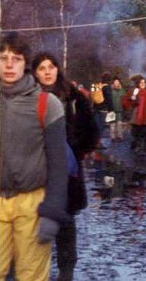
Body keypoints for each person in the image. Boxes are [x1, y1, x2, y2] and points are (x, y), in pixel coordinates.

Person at [0, 33, 69, 280]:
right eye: (3, 58)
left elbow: (59, 163)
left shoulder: (46, 104)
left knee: (31, 275)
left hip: (32, 204)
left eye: (16, 59)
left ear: (25, 63)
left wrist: (52, 210)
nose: (9, 65)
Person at [32, 52, 99, 281]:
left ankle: (66, 271)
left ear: (58, 69)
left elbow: (92, 132)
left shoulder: (74, 98)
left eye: (51, 66)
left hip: (66, 172)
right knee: (32, 221)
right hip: (35, 170)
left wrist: (73, 151)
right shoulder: (27, 98)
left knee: (65, 222)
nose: (48, 71)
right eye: (42, 68)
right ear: (35, 72)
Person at [125, 77, 146, 155]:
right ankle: (137, 145)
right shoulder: (136, 91)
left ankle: (142, 148)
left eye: (144, 83)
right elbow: (131, 103)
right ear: (139, 84)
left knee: (144, 132)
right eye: (141, 83)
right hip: (136, 116)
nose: (142, 84)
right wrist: (133, 97)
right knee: (136, 131)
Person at [93, 72, 114, 144]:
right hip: (103, 109)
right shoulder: (107, 87)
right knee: (101, 126)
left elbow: (93, 97)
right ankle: (98, 142)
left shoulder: (98, 86)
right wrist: (111, 110)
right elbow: (109, 99)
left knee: (96, 125)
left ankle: (94, 141)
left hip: (96, 108)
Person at [110, 77, 126, 142]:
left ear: (119, 83)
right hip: (112, 110)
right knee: (112, 125)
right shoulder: (111, 90)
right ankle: (113, 137)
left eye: (117, 82)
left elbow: (125, 99)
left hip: (119, 110)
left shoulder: (122, 90)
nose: (116, 83)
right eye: (115, 82)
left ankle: (119, 136)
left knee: (119, 124)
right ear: (113, 83)